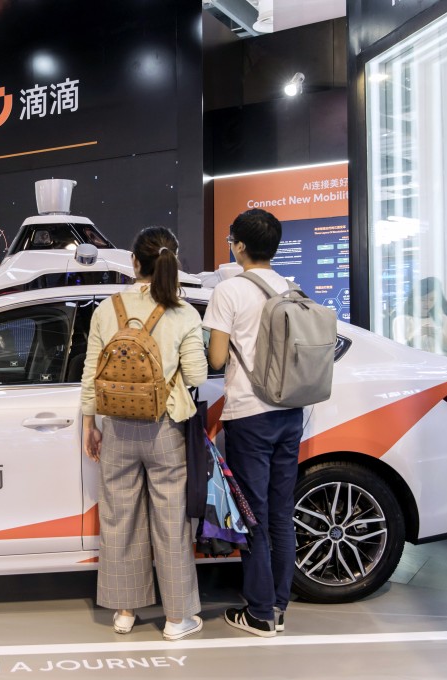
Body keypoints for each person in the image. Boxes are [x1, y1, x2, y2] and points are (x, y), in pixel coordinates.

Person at [80, 226, 208, 641]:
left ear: (134, 263)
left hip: (116, 426)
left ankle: (124, 611)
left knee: (120, 519)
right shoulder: (184, 312)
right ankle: (176, 619)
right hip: (165, 428)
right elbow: (197, 375)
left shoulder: (107, 309)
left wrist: (89, 423)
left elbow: (90, 373)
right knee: (170, 522)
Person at [203, 208, 301, 638]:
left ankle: (260, 612)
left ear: (239, 245)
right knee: (281, 512)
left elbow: (217, 360)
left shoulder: (230, 291)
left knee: (253, 514)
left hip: (250, 413)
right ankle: (278, 602)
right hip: (290, 411)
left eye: (231, 239)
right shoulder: (292, 288)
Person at [392, 276, 447, 356]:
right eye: (422, 299)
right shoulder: (401, 320)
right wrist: (417, 335)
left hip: (438, 364)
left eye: (432, 299)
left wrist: (441, 337)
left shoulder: (442, 319)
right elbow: (398, 350)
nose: (427, 303)